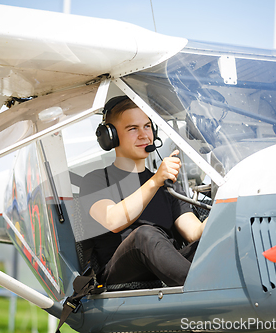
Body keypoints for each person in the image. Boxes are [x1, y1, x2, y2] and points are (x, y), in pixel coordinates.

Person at [79, 96, 207, 287]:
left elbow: (194, 233)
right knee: (144, 235)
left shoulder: (168, 185)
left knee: (217, 241)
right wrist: (155, 181)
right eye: (133, 129)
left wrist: (226, 210)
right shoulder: (95, 181)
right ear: (111, 136)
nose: (144, 135)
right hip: (118, 272)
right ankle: (203, 289)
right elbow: (113, 220)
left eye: (147, 126)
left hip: (164, 265)